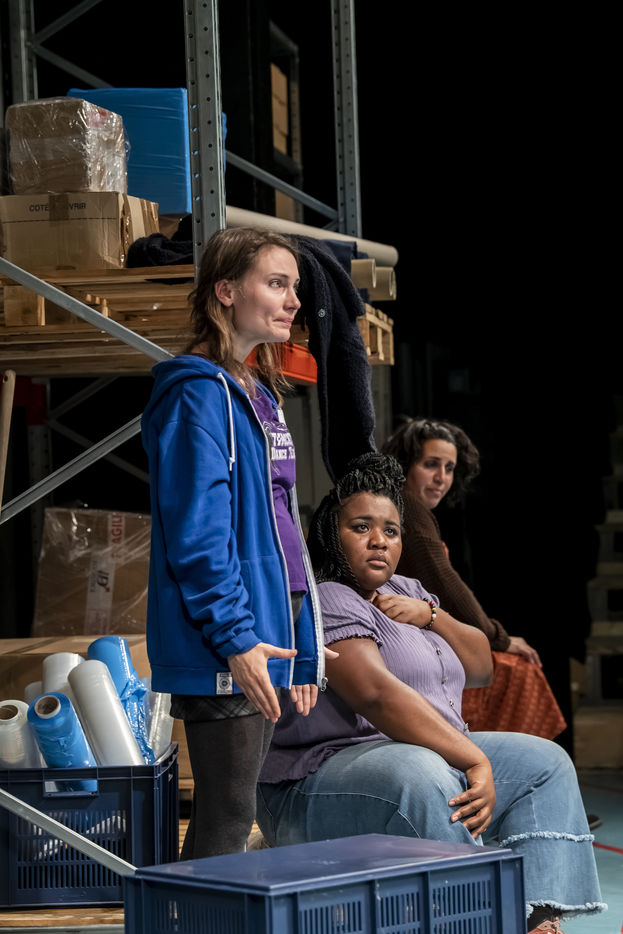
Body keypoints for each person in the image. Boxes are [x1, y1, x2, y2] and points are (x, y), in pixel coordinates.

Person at [256, 453, 605, 933]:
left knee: (544, 764)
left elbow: (481, 667)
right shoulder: (329, 598)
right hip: (318, 780)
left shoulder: (409, 590)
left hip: (424, 759)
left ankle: (536, 919)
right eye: (361, 527)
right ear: (331, 535)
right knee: (420, 773)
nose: (379, 540)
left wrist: (432, 616)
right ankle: (482, 920)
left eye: (391, 530)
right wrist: (474, 759)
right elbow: (377, 695)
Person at [141, 226, 326, 858]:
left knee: (233, 811)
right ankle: (186, 912)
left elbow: (282, 523)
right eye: (276, 284)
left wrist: (302, 637)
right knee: (227, 814)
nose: (292, 300)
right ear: (225, 290)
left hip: (268, 623)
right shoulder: (197, 395)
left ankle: (196, 909)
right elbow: (198, 536)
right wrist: (236, 638)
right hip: (227, 634)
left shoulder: (257, 391)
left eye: (293, 287)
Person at [382, 417, 566, 739]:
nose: (441, 478)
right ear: (405, 464)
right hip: (403, 644)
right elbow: (445, 584)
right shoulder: (407, 508)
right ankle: (492, 758)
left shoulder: (408, 507)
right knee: (518, 672)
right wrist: (499, 638)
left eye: (449, 468)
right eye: (431, 464)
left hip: (417, 635)